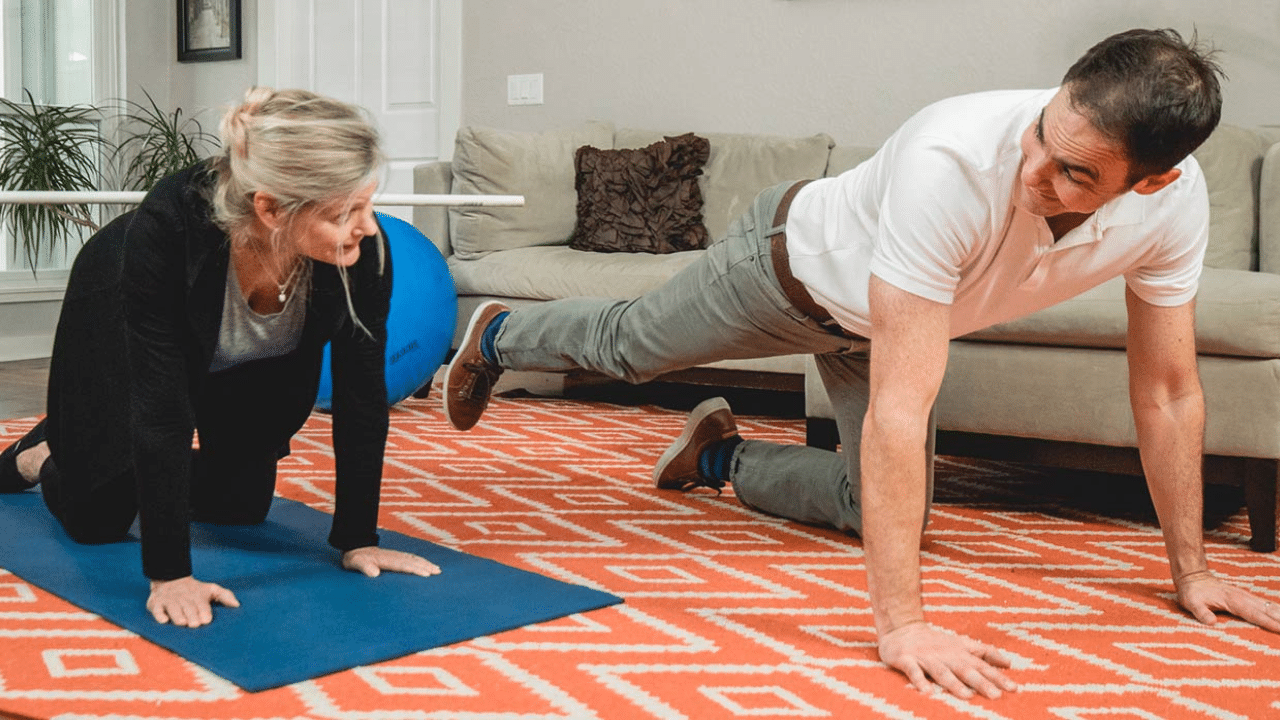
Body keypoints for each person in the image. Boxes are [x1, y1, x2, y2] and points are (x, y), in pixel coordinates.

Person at [441, 29, 1280, 699]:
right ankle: (500, 334)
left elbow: (1168, 391)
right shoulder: (950, 161)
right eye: (1040, 137)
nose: (1034, 174)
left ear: (1152, 181)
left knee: (882, 511)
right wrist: (902, 626)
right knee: (629, 350)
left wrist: (1192, 569)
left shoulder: (1176, 207)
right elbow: (903, 410)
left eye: (1073, 173)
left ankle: (720, 455)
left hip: (881, 326)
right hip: (785, 274)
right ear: (1057, 96)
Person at [0, 87, 440, 629]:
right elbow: (163, 409)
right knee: (97, 519)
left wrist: (357, 539)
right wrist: (170, 574)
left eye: (368, 202)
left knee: (239, 506)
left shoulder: (359, 249)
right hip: (120, 310)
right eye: (345, 212)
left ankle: (93, 443)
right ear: (272, 209)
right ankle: (42, 453)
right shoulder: (165, 233)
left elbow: (361, 393)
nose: (368, 226)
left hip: (237, 361)